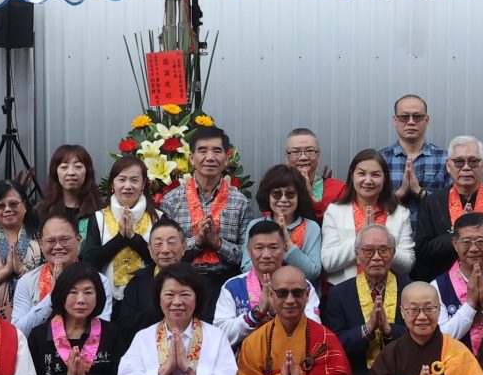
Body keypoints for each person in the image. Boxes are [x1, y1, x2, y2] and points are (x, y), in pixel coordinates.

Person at [235, 266, 356, 375]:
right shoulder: (253, 343)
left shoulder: (326, 339)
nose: (290, 300)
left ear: (307, 294)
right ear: (271, 295)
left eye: (297, 293)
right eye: (282, 293)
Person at [360, 282, 483, 375]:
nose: (422, 316)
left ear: (439, 310)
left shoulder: (457, 352)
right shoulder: (390, 356)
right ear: (402, 312)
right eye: (413, 310)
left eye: (429, 308)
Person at [120, 270, 234, 375]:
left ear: (197, 298)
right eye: (169, 295)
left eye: (185, 294)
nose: (177, 301)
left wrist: (188, 368)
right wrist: (164, 370)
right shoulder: (143, 338)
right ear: (158, 298)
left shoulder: (216, 337)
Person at [414, 137, 483, 279]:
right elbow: (422, 250)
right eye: (459, 162)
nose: (466, 167)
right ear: (448, 166)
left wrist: (482, 236)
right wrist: (459, 235)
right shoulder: (432, 202)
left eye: (473, 161)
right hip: (445, 283)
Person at [321, 223, 405, 375]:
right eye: (368, 251)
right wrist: (367, 329)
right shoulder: (338, 294)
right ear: (357, 256)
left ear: (393, 254)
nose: (376, 257)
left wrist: (388, 330)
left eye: (384, 250)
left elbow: (420, 337)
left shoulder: (410, 290)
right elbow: (335, 345)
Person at [28, 265, 119, 375]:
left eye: (88, 292)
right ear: (61, 294)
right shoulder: (39, 336)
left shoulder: (111, 333)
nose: (81, 300)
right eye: (73, 292)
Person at [161, 126, 253, 275]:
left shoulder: (240, 202)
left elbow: (248, 256)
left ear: (226, 159)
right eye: (202, 151)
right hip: (183, 279)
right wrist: (197, 241)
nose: (210, 157)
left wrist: (217, 243)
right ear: (191, 158)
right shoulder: (171, 200)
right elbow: (166, 253)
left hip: (226, 279)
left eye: (217, 151)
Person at [320, 149, 415, 277]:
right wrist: (361, 238)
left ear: (385, 178)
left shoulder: (400, 213)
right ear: (352, 175)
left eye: (375, 175)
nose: (368, 180)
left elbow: (408, 264)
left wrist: (384, 246)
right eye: (361, 174)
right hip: (347, 287)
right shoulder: (335, 211)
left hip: (390, 287)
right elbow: (328, 263)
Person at [432, 213, 483, 350]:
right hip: (456, 362)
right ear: (455, 244)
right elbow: (441, 339)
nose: (474, 248)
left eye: (480, 241)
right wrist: (470, 305)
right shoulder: (437, 287)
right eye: (466, 242)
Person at [83, 154, 159, 297]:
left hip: (148, 298)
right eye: (122, 179)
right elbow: (89, 262)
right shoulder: (99, 218)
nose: (127, 186)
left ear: (143, 184)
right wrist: (120, 238)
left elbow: (162, 258)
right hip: (106, 299)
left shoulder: (157, 218)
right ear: (112, 184)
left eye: (134, 180)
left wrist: (133, 238)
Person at [213, 221, 292, 347]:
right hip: (244, 358)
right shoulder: (232, 287)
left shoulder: (300, 286)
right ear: (249, 250)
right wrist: (256, 314)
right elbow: (220, 335)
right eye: (259, 248)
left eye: (273, 248)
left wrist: (279, 312)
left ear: (285, 248)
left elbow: (312, 327)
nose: (266, 255)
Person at [9, 215, 89, 336]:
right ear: (41, 244)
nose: (58, 246)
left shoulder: (97, 280)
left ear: (78, 240)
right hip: (38, 347)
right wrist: (52, 296)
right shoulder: (27, 281)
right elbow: (17, 332)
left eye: (65, 240)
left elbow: (101, 328)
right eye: (51, 241)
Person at [253, 165, 324, 280]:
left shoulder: (311, 227)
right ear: (267, 196)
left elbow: (313, 273)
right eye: (277, 194)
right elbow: (247, 268)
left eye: (290, 194)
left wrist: (287, 243)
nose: (283, 199)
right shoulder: (255, 225)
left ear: (299, 197)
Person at [382, 95, 445, 203]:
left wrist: (420, 192)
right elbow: (372, 203)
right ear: (395, 120)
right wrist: (400, 193)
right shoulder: (381, 159)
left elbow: (451, 203)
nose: (411, 122)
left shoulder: (445, 159)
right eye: (404, 117)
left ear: (426, 120)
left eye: (417, 116)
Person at [0, 183, 39, 291]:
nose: (7, 209)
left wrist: (21, 270)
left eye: (13, 204)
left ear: (25, 206)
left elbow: (49, 276)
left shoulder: (40, 238)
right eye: (0, 206)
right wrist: (6, 270)